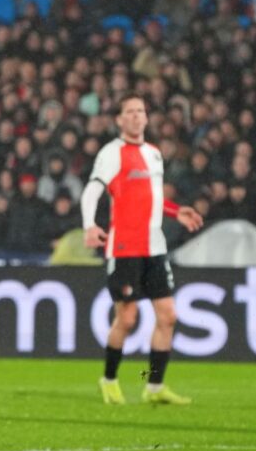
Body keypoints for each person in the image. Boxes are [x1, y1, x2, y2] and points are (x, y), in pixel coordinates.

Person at [80, 94, 204, 405]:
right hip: (124, 247)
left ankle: (154, 387)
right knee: (127, 318)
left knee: (168, 316)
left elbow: (153, 198)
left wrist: (178, 212)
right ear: (120, 120)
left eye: (141, 111)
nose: (137, 116)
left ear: (146, 119)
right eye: (130, 112)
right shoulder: (112, 153)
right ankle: (108, 380)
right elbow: (92, 190)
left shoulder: (154, 154)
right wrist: (89, 225)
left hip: (155, 246)